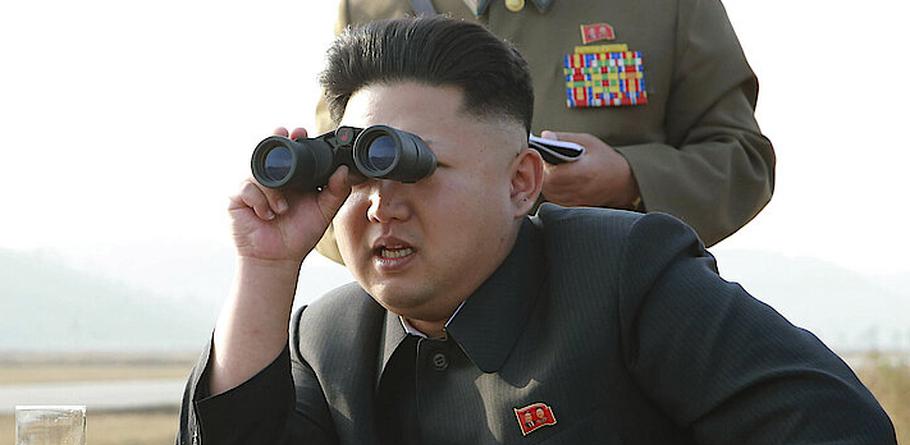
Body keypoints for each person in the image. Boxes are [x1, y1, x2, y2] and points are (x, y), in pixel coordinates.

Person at [175, 16, 898, 445]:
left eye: (416, 170)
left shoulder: (624, 276)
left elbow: (840, 442)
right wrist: (266, 268)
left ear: (521, 183)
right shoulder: (329, 340)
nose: (380, 206)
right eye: (359, 174)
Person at [312, 0, 776, 263]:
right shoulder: (371, 8)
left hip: (618, 304)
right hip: (436, 337)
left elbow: (742, 160)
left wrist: (630, 179)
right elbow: (332, 190)